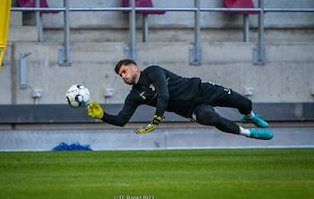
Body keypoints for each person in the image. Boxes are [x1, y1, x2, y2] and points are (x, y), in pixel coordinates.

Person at [87, 59, 273, 140]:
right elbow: (121, 120)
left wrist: (157, 118)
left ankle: (249, 115)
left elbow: (164, 95)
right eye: (120, 75)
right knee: (211, 118)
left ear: (134, 67)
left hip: (201, 90)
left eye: (124, 71)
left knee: (244, 103)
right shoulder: (134, 96)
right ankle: (249, 133)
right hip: (191, 108)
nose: (124, 77)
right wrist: (102, 115)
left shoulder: (153, 71)